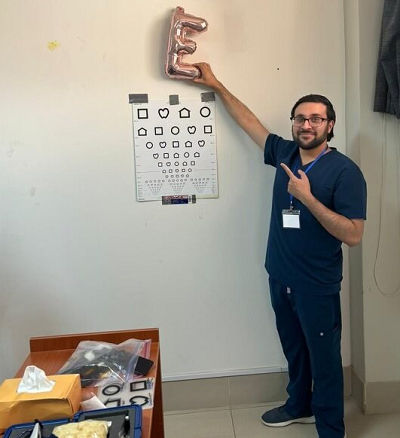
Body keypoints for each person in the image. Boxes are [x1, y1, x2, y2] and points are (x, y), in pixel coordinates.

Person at [191, 63, 367, 438]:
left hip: (316, 285)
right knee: (295, 349)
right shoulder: (284, 152)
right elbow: (249, 121)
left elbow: (353, 235)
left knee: (324, 361)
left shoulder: (344, 171)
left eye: (316, 119)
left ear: (330, 125)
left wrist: (308, 199)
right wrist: (216, 84)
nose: (307, 125)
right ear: (292, 124)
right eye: (300, 118)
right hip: (279, 276)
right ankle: (299, 404)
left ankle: (331, 429)